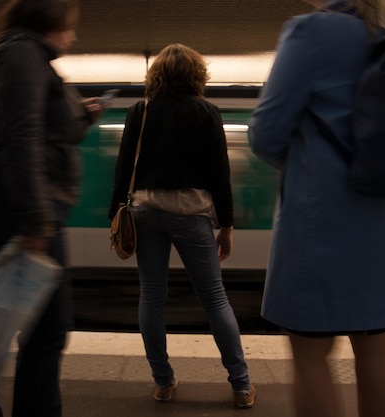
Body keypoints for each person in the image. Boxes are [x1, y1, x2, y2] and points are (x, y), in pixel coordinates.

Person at [247, 1, 385, 417]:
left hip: (326, 221)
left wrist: (315, 167)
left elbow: (265, 134)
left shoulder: (310, 31)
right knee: (379, 348)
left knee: (310, 354)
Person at [0, 1, 104, 416]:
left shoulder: (22, 57)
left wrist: (84, 116)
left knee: (7, 328)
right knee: (47, 331)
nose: (73, 36)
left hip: (18, 210)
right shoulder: (23, 56)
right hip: (24, 214)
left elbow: (42, 131)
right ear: (50, 22)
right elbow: (19, 140)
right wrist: (36, 220)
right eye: (70, 26)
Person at [108, 43, 256, 408]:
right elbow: (220, 174)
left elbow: (124, 166)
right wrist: (227, 225)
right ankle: (240, 386)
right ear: (197, 75)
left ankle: (163, 382)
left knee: (152, 296)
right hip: (192, 214)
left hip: (145, 211)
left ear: (155, 75)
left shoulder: (139, 111)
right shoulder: (206, 112)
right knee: (214, 298)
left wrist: (114, 213)